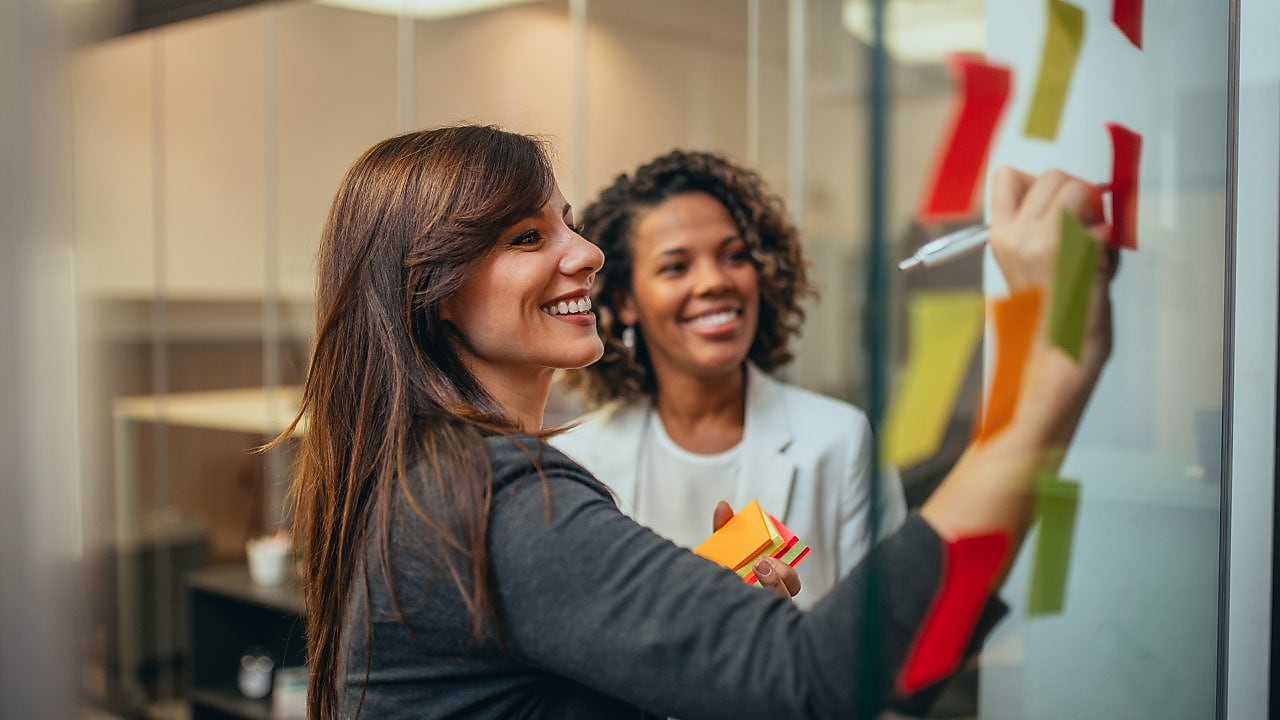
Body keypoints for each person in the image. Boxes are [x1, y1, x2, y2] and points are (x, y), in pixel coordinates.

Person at [279, 124, 1115, 720]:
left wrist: (704, 637)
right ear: (437, 290)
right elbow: (816, 685)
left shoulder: (437, 479)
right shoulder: (495, 494)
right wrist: (1047, 380)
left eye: (567, 221)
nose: (585, 253)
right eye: (529, 235)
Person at [552, 151, 906, 607]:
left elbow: (892, 639)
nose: (715, 281)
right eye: (676, 266)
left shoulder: (840, 440)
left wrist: (778, 631)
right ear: (625, 302)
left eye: (734, 255)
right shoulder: (576, 459)